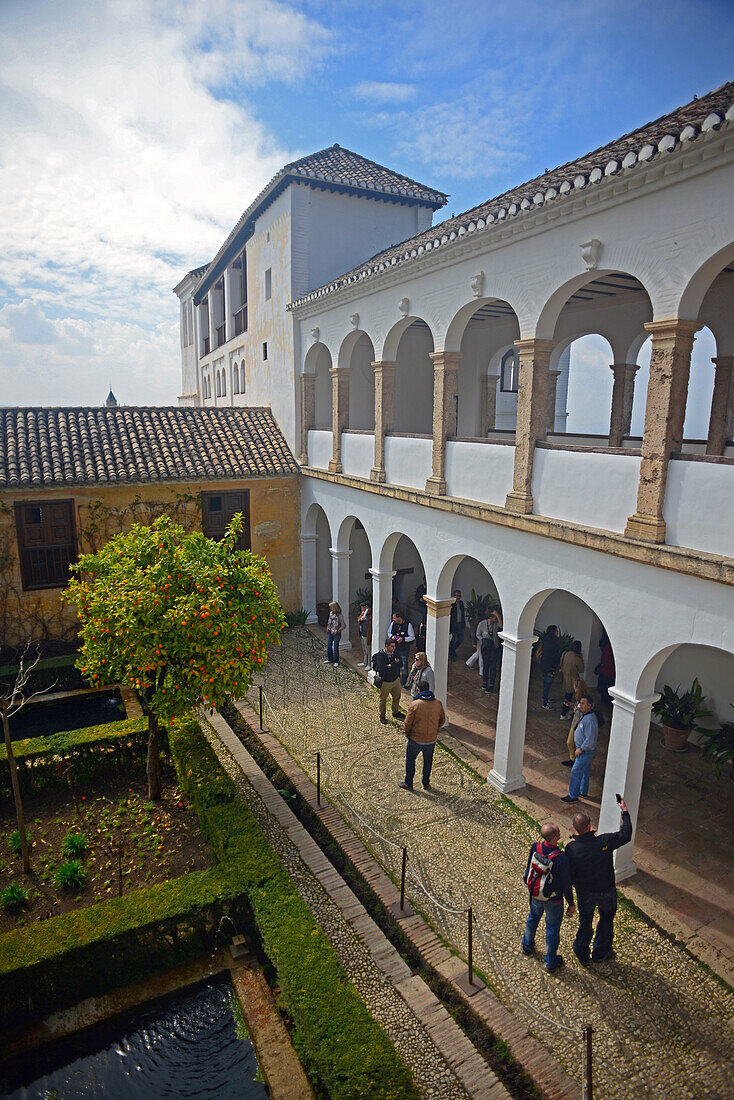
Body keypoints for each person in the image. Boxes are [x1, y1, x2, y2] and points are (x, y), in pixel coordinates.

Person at [566, 799, 632, 964]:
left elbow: (569, 872)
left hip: (585, 892)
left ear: (576, 829)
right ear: (589, 826)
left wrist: (573, 884)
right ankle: (601, 952)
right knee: (606, 920)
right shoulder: (604, 842)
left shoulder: (572, 848)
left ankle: (582, 951)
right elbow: (626, 834)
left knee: (585, 922)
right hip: (606, 890)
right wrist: (625, 812)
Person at [521, 821, 576, 972]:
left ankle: (527, 945)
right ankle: (551, 961)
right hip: (553, 899)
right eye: (558, 832)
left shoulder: (535, 847)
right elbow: (566, 884)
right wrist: (571, 904)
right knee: (552, 929)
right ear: (555, 837)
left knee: (533, 918)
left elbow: (528, 868)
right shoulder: (561, 858)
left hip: (536, 894)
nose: (560, 833)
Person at [400, 678, 445, 791]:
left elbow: (407, 723)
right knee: (428, 762)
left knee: (410, 760)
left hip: (416, 739)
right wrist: (434, 729)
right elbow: (442, 720)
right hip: (431, 739)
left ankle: (408, 783)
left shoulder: (415, 705)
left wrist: (407, 733)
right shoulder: (438, 704)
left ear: (419, 690)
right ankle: (426, 783)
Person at [561, 695, 598, 802]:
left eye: (582, 703)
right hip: (582, 749)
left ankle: (573, 796)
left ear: (589, 706)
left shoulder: (590, 720)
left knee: (575, 771)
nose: (580, 705)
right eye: (580, 703)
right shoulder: (585, 715)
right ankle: (583, 791)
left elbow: (590, 740)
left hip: (584, 751)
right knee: (585, 770)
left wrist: (580, 749)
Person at [371, 639, 405, 725]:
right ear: (386, 646)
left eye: (394, 646)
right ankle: (382, 715)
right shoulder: (380, 656)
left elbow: (401, 664)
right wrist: (394, 663)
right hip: (385, 682)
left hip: (395, 680)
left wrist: (391, 665)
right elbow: (384, 669)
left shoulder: (395, 653)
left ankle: (395, 712)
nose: (394, 648)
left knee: (397, 697)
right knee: (383, 699)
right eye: (392, 646)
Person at [562, 677, 592, 766]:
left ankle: (574, 760)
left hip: (578, 723)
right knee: (572, 742)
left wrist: (576, 710)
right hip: (576, 723)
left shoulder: (584, 699)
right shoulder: (579, 697)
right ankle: (574, 759)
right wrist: (570, 705)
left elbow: (583, 712)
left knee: (571, 742)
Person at [477, 608, 503, 692]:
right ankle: (484, 682)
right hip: (485, 647)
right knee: (486, 665)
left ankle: (491, 684)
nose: (495, 619)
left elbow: (502, 626)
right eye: (494, 617)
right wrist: (483, 640)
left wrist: (498, 615)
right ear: (490, 617)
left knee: (493, 666)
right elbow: (478, 634)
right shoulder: (482, 624)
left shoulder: (495, 624)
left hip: (494, 647)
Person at [387, 611, 415, 686]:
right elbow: (389, 632)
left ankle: (404, 682)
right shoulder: (393, 624)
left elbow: (412, 637)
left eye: (394, 618)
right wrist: (392, 637)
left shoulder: (408, 625)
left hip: (404, 649)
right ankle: (396, 681)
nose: (393, 619)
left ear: (399, 618)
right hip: (395, 648)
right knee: (395, 665)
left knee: (403, 666)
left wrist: (403, 639)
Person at [559, 641, 584, 718]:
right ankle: (563, 714)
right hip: (573, 681)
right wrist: (581, 659)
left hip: (565, 678)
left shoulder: (565, 653)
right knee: (569, 697)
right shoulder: (577, 658)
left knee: (567, 696)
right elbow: (582, 669)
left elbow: (561, 664)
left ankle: (566, 711)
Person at [540, 625, 560, 709]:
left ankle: (545, 698)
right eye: (556, 630)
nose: (557, 632)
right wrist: (549, 670)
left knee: (546, 683)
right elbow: (549, 657)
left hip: (547, 666)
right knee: (547, 684)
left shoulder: (547, 640)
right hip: (549, 667)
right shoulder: (552, 643)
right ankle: (545, 702)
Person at [596, 638, 615, 709]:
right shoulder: (610, 647)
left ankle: (604, 705)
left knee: (603, 690)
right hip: (611, 674)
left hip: (606, 672)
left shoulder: (608, 647)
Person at [324, 601, 345, 667]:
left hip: (336, 633)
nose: (330, 608)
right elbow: (329, 621)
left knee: (335, 647)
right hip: (330, 632)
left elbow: (343, 625)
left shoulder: (339, 615)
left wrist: (338, 631)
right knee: (328, 646)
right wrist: (328, 627)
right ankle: (330, 659)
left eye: (331, 607)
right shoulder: (331, 613)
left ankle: (336, 661)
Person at [448, 589, 466, 660]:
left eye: (458, 596)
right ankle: (452, 655)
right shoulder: (451, 604)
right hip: (453, 625)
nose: (457, 597)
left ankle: (451, 650)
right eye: (456, 596)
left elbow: (462, 614)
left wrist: (464, 623)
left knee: (461, 639)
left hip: (460, 624)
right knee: (453, 640)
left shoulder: (461, 603)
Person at [357, 602, 372, 667]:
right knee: (364, 649)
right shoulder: (363, 614)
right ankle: (365, 662)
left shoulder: (370, 616)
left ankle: (369, 664)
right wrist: (360, 618)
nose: (362, 609)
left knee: (368, 650)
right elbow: (359, 620)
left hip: (367, 634)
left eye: (364, 607)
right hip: (362, 633)